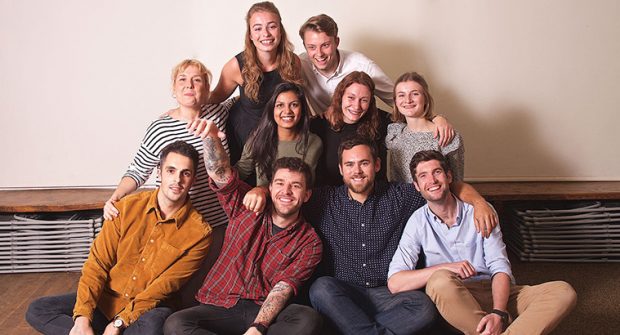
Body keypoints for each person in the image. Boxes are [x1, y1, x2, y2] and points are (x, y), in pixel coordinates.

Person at [303, 136, 499, 335]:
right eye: (350, 164)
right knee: (321, 289)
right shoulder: (325, 199)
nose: (357, 171)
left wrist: (479, 202)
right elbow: (289, 196)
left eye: (364, 163)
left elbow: (440, 185)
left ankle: (355, 329)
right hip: (345, 293)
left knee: (424, 307)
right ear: (341, 169)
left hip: (389, 295)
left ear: (377, 164)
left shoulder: (400, 196)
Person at [26, 141, 213, 335]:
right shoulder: (125, 208)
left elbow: (163, 287)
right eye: (171, 171)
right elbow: (97, 264)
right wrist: (82, 318)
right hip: (106, 300)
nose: (178, 180)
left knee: (155, 326)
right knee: (39, 309)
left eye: (186, 173)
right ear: (159, 172)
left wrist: (119, 323)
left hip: (148, 309)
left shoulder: (199, 233)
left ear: (193, 179)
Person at [388, 150, 577, 335]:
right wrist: (447, 267)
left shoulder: (481, 212)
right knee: (438, 280)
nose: (432, 181)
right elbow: (395, 283)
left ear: (449, 176)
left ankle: (496, 326)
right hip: (457, 300)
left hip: (495, 290)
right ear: (417, 186)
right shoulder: (417, 221)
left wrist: (498, 312)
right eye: (423, 176)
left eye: (437, 172)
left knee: (563, 292)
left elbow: (500, 266)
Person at [163, 120, 323, 335]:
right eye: (280, 183)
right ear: (270, 187)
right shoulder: (246, 204)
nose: (286, 192)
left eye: (295, 186)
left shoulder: (310, 242)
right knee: (176, 324)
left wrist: (258, 326)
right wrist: (210, 136)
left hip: (264, 309)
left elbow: (283, 288)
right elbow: (219, 172)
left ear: (307, 195)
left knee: (306, 318)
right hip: (219, 304)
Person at [103, 59, 233, 230]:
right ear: (174, 89)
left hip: (218, 220)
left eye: (197, 80)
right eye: (182, 79)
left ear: (207, 88)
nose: (189, 85)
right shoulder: (160, 128)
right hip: (177, 222)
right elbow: (138, 170)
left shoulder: (219, 113)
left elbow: (249, 101)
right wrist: (115, 197)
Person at [298, 14, 454, 147]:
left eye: (325, 45)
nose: (319, 53)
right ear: (305, 46)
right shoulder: (300, 65)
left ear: (337, 42)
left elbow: (400, 102)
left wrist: (436, 118)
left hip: (362, 133)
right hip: (325, 133)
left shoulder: (363, 66)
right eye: (311, 47)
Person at [209, 1, 303, 164]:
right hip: (244, 139)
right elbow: (215, 96)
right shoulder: (236, 66)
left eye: (272, 26)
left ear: (280, 30)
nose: (265, 34)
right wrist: (181, 108)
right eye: (258, 28)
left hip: (279, 135)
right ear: (250, 35)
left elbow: (297, 100)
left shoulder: (293, 62)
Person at [235, 82, 322, 187]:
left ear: (302, 109)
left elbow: (303, 183)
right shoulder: (258, 138)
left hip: (300, 202)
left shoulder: (313, 142)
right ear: (272, 110)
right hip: (263, 202)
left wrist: (263, 190)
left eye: (294, 105)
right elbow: (240, 173)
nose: (287, 111)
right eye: (280, 105)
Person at [386, 72, 464, 183]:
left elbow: (457, 183)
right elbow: (396, 181)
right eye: (401, 95)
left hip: (439, 199)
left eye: (415, 94)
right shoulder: (395, 134)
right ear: (396, 101)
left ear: (425, 98)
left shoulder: (446, 135)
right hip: (404, 200)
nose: (408, 100)